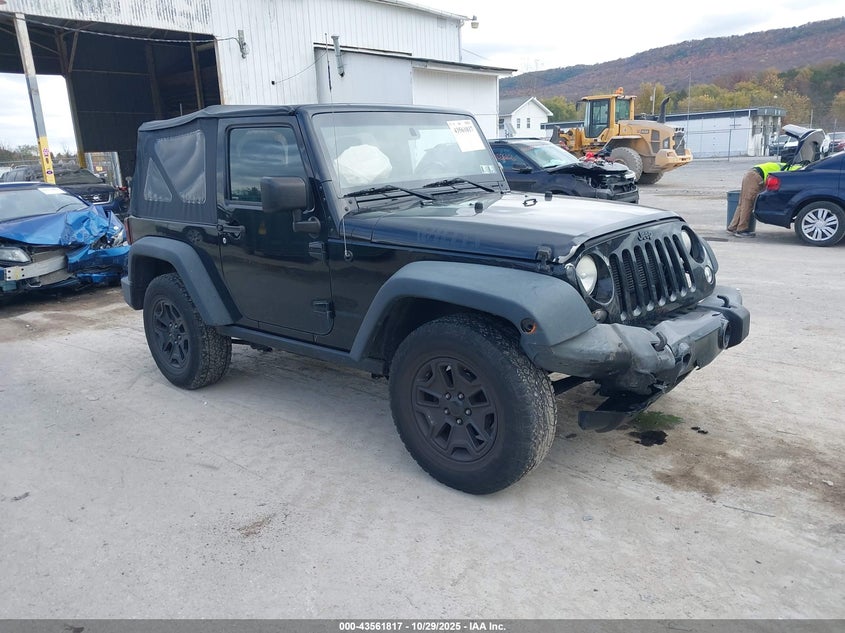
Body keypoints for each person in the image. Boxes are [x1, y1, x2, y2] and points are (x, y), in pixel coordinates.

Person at [727, 161, 794, 237]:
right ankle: (741, 230)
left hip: (752, 174)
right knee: (748, 203)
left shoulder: (787, 166)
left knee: (743, 203)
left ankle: (732, 227)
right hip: (755, 176)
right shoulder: (793, 169)